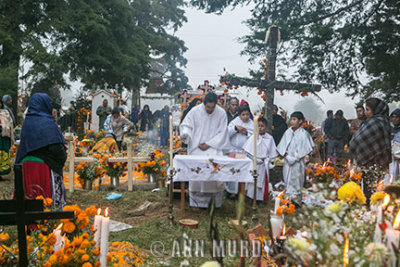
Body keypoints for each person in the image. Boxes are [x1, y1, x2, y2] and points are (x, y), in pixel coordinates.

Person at [15, 93, 67, 209]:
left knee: (28, 202)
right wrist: (62, 159)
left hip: (25, 168)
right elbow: (56, 149)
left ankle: (29, 225)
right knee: (44, 201)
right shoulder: (48, 123)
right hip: (42, 168)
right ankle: (44, 224)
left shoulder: (27, 123)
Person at [180, 92, 229, 208]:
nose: (210, 110)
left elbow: (223, 132)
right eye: (208, 107)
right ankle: (196, 203)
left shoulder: (221, 113)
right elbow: (186, 125)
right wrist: (186, 134)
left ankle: (214, 204)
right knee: (197, 175)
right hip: (196, 148)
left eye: (213, 107)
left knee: (214, 173)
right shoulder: (194, 111)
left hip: (213, 148)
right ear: (204, 103)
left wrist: (209, 144)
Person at [349, 98, 391, 202]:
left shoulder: (375, 122)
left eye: (368, 109)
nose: (366, 112)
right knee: (376, 187)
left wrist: (354, 149)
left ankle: (373, 211)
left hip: (372, 162)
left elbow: (358, 140)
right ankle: (374, 211)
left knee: (372, 188)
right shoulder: (384, 121)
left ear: (375, 110)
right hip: (379, 162)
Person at [277, 112, 314, 201]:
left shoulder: (303, 134)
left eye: (294, 119)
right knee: (287, 178)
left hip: (298, 161)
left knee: (297, 180)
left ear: (300, 121)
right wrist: (287, 156)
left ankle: (296, 200)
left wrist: (296, 157)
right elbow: (282, 147)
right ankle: (288, 198)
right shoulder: (287, 132)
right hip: (288, 160)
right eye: (291, 119)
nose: (292, 121)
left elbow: (305, 149)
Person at [244, 117, 278, 201]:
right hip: (254, 162)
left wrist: (268, 159)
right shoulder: (253, 137)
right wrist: (254, 158)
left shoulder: (269, 138)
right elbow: (248, 151)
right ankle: (251, 197)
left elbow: (272, 153)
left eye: (262, 126)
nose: (260, 128)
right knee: (252, 181)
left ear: (266, 127)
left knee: (262, 182)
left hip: (263, 164)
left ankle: (260, 198)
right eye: (258, 126)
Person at [226, 105, 253, 194]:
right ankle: (231, 191)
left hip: (245, 151)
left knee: (243, 171)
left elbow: (255, 136)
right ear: (239, 115)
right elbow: (226, 133)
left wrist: (246, 133)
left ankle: (242, 191)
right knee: (233, 170)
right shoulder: (234, 122)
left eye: (247, 114)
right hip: (234, 150)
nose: (246, 117)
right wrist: (235, 129)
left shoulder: (252, 124)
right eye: (243, 115)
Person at [0, 99, 14, 177]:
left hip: (4, 137)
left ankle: (3, 172)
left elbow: (10, 124)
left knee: (4, 154)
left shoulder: (5, 113)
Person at [389, 109, 400, 181]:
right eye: (393, 117)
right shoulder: (389, 128)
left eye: (396, 117)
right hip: (390, 157)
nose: (394, 119)